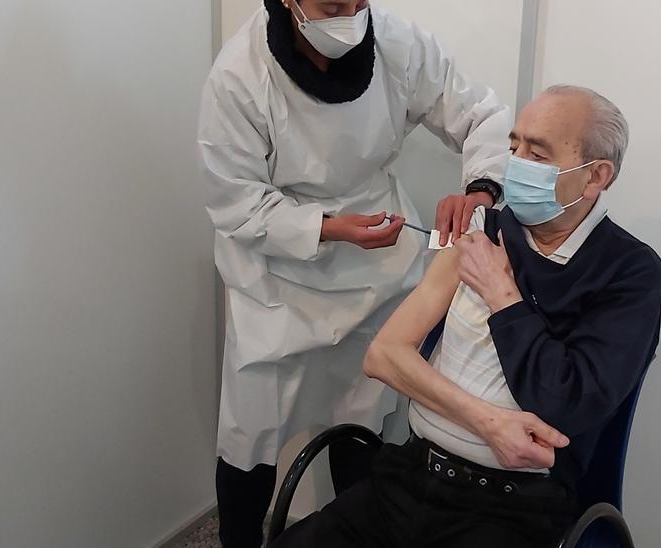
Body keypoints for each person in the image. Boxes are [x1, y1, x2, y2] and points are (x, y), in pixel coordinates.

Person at [268, 85, 661, 548]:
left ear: (596, 176)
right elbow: (385, 355)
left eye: (536, 154)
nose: (514, 163)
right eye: (513, 145)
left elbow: (564, 401)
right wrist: (488, 422)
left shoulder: (629, 272)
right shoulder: (485, 228)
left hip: (511, 510)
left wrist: (502, 293)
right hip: (409, 476)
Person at [196, 1, 512, 545]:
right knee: (250, 439)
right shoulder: (239, 75)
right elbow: (237, 204)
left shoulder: (398, 44)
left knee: (363, 426)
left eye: (358, 0)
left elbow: (480, 113)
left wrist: (481, 189)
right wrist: (330, 228)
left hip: (376, 275)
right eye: (333, 4)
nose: (350, 13)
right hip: (276, 285)